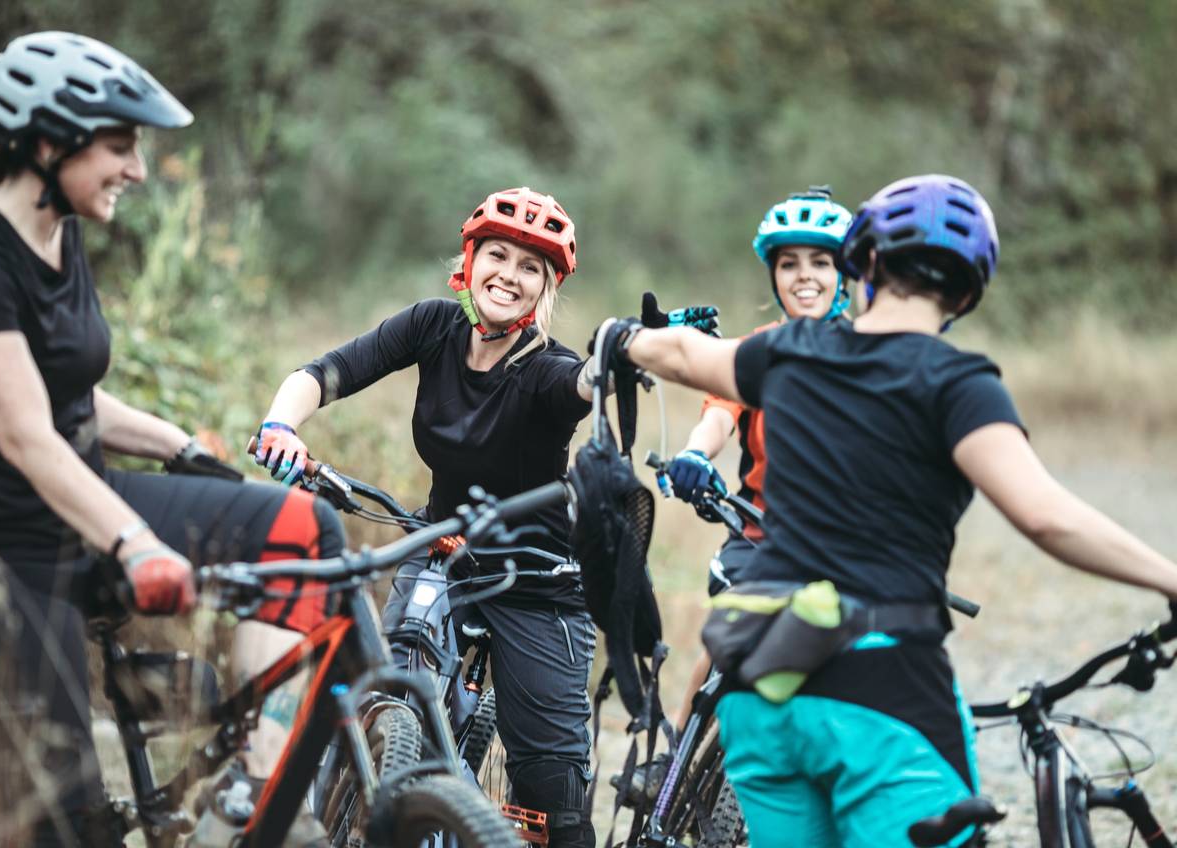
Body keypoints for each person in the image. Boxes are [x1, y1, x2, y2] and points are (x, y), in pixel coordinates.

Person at [601, 174, 1177, 847]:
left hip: (760, 696)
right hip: (879, 690)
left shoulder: (788, 352)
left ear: (862, 262)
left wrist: (622, 340)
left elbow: (682, 352)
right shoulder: (958, 384)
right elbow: (1046, 515)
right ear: (965, 292)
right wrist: (1168, 577)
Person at [0, 32, 342, 847]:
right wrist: (138, 544)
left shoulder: (58, 228)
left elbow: (70, 394)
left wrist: (180, 446)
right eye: (120, 144)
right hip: (8, 551)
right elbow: (25, 432)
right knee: (59, 830)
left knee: (300, 528)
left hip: (91, 504)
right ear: (47, 141)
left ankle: (254, 793)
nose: (138, 169)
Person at [255, 186, 600, 848]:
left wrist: (617, 359)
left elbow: (579, 388)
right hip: (439, 544)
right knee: (379, 705)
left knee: (553, 791)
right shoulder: (433, 326)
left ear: (546, 288)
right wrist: (280, 424)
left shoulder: (548, 370)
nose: (510, 274)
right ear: (469, 261)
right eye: (498, 254)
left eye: (531, 266)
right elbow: (328, 372)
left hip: (536, 578)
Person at [662, 187, 851, 729]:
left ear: (845, 273)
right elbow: (720, 412)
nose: (804, 275)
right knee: (730, 638)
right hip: (761, 533)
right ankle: (675, 757)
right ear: (774, 275)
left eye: (821, 261)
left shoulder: (869, 354)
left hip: (845, 543)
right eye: (789, 263)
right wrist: (696, 454)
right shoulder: (757, 351)